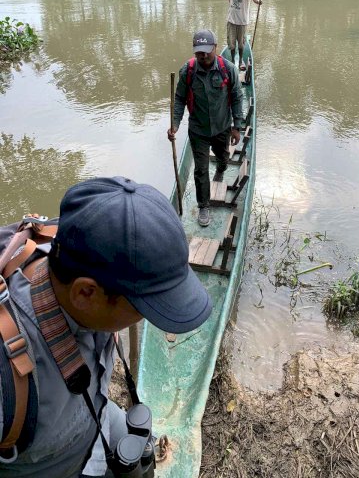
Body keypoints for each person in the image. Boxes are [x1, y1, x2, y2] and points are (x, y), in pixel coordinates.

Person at [0, 176, 212, 477]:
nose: (146, 318)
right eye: (143, 308)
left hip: (94, 417)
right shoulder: (6, 375)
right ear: (86, 293)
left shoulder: (83, 254)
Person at [167, 29, 243, 228]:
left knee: (223, 157)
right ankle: (203, 205)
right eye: (198, 52)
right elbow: (179, 100)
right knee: (200, 170)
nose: (202, 56)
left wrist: (237, 127)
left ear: (215, 48)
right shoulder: (188, 71)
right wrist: (174, 124)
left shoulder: (228, 70)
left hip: (222, 127)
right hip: (198, 130)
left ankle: (221, 168)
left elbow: (236, 98)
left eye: (206, 51)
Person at [225, 0, 262, 70]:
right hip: (231, 19)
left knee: (241, 45)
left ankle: (240, 61)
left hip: (242, 21)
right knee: (231, 45)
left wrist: (258, 2)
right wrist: (230, 1)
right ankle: (232, 61)